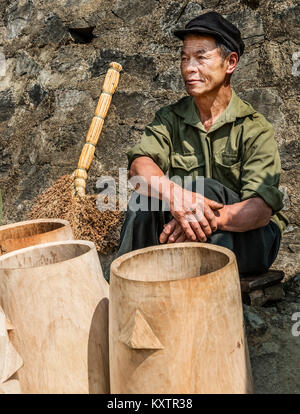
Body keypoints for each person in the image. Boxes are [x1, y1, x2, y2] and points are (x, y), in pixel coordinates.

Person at [117, 11, 289, 275]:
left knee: (206, 190)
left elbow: (260, 211)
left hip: (249, 237)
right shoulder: (170, 118)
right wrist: (177, 197)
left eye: (201, 57)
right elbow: (139, 168)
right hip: (183, 232)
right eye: (184, 58)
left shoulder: (255, 128)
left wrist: (200, 218)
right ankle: (124, 284)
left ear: (230, 62)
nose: (189, 68)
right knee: (144, 198)